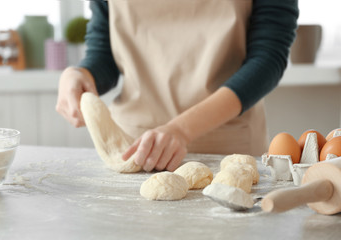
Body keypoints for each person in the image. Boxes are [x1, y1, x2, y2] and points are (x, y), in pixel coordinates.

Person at [56, 0, 299, 172]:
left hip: (226, 153)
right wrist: (80, 73)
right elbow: (105, 53)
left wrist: (182, 130)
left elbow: (267, 58)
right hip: (135, 149)